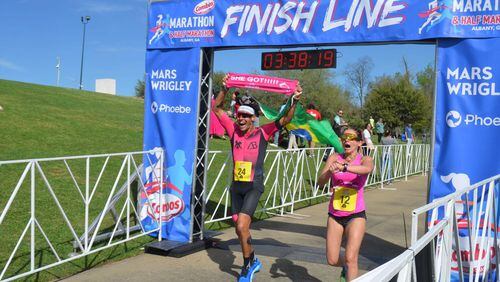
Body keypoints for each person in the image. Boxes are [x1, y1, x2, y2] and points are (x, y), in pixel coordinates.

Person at [212, 75, 302, 282]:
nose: (241, 118)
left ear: (253, 118)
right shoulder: (233, 130)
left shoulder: (263, 132)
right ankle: (252, 258)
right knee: (240, 229)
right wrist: (225, 88)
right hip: (236, 188)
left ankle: (247, 268)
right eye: (239, 115)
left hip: (254, 185)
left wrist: (294, 100)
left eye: (245, 115)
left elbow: (285, 120)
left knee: (243, 226)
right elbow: (217, 109)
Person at [317, 128, 374, 281]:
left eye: (351, 137)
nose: (347, 140)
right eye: (344, 137)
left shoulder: (364, 159)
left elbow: (367, 169)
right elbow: (320, 182)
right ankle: (346, 268)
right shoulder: (334, 157)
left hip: (356, 215)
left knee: (351, 257)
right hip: (335, 214)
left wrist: (344, 167)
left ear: (359, 142)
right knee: (332, 259)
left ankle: (349, 268)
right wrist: (329, 171)